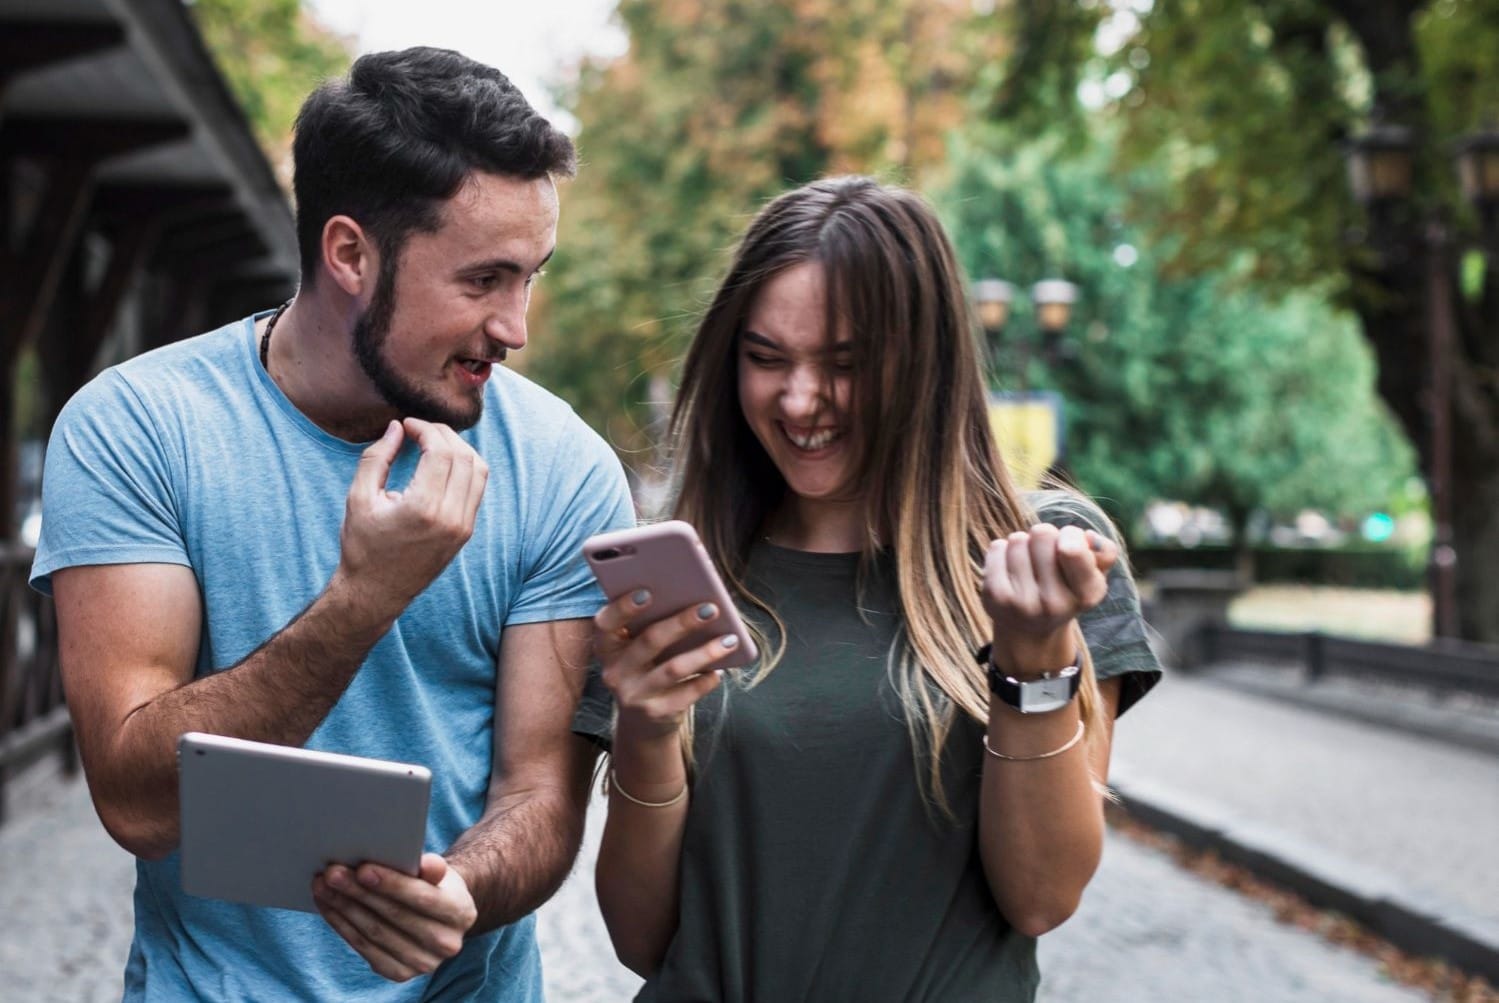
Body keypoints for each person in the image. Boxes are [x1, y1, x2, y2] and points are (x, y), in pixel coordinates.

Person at [30, 48, 633, 1000]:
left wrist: (458, 891)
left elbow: (541, 792)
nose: (516, 326)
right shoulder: (137, 428)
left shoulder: (562, 465)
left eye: (530, 276)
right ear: (349, 253)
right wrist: (363, 599)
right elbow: (137, 799)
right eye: (483, 279)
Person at [575, 176, 1162, 1000]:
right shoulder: (685, 574)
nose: (800, 399)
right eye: (765, 357)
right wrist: (643, 724)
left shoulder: (1039, 560)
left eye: (845, 364)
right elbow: (644, 941)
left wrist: (1031, 658)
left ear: (926, 365)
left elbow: (1040, 894)